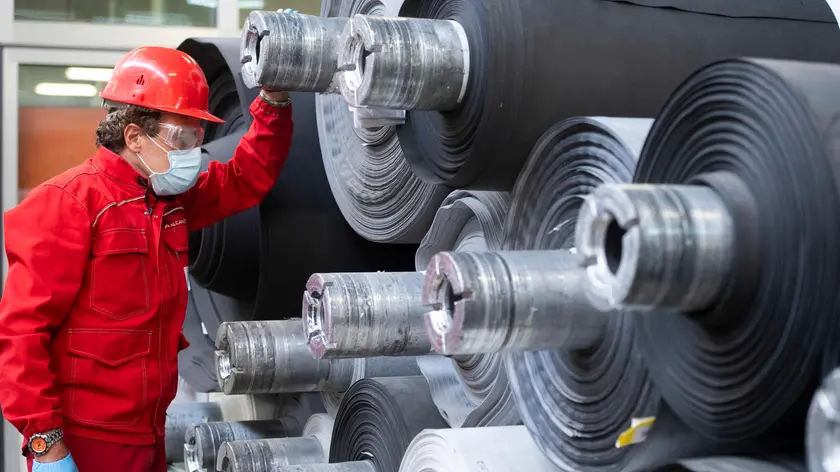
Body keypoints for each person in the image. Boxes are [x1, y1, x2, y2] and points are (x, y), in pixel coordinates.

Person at [0, 37, 295, 472]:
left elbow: (246, 177)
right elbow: (23, 334)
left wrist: (274, 99)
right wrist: (45, 443)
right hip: (87, 441)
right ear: (135, 136)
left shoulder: (170, 198)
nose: (195, 152)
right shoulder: (68, 203)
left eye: (199, 136)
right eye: (183, 138)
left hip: (150, 433)